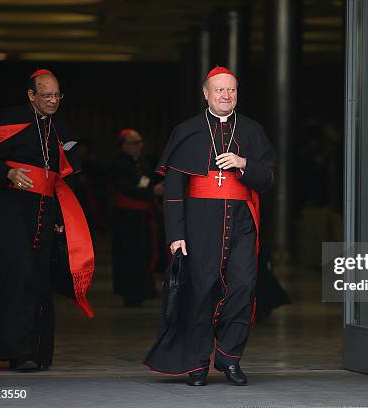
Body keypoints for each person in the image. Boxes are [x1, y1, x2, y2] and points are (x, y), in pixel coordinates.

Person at [144, 66, 276, 386]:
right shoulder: (187, 130)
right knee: (201, 289)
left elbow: (269, 178)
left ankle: (230, 358)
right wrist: (175, 235)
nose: (226, 96)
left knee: (243, 287)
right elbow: (173, 190)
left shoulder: (252, 130)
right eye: (219, 90)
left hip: (242, 220)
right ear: (206, 94)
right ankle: (198, 361)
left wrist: (244, 163)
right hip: (199, 220)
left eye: (231, 90)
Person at [0, 69, 94, 371]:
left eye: (57, 95)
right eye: (45, 95)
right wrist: (6, 173)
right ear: (31, 96)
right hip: (10, 209)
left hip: (45, 211)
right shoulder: (10, 119)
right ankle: (18, 352)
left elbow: (67, 175)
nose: (52, 101)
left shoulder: (60, 126)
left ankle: (36, 351)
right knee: (18, 273)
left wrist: (61, 217)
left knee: (38, 278)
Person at [110, 128, 162, 306]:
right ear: (124, 146)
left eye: (140, 142)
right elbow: (126, 188)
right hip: (127, 218)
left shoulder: (141, 162)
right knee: (130, 256)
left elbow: (144, 181)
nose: (140, 146)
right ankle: (131, 294)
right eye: (135, 143)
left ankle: (142, 292)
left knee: (143, 254)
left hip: (142, 216)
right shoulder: (119, 164)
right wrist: (152, 191)